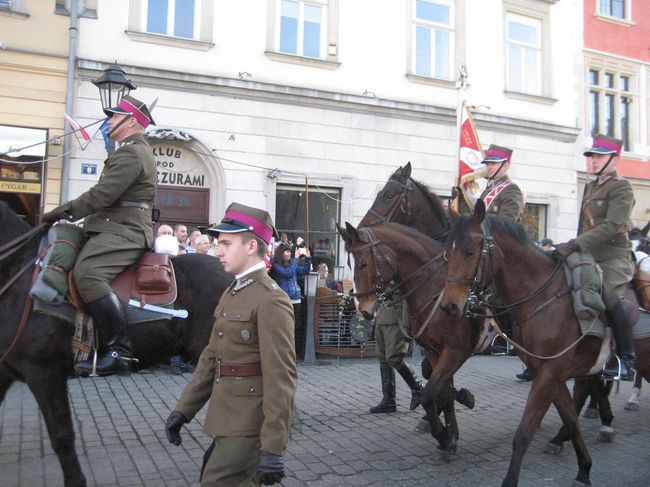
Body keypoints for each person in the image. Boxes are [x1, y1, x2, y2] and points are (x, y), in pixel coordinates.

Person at [164, 203, 297, 486]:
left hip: (250, 425)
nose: (218, 250)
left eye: (225, 243)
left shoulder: (271, 300)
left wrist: (273, 446)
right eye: (217, 243)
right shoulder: (232, 291)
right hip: (226, 418)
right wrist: (184, 409)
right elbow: (212, 357)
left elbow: (281, 379)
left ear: (251, 246)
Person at [41, 95, 156, 376]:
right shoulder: (131, 150)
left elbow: (103, 194)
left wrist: (64, 211)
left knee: (88, 273)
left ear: (131, 121)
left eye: (115, 117)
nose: (109, 121)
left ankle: (120, 351)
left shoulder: (131, 152)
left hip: (125, 230)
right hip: (113, 225)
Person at [554, 134, 637, 380]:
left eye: (599, 156)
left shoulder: (622, 186)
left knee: (610, 294)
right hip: (587, 252)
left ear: (614, 160)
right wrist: (575, 247)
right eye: (592, 156)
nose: (593, 161)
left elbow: (613, 225)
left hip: (613, 255)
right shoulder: (591, 186)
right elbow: (584, 225)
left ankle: (625, 358)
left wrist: (575, 244)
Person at [369, 302, 422, 413]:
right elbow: (378, 300)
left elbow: (407, 298)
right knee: (383, 359)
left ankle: (417, 388)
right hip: (381, 320)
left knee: (394, 358)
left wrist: (407, 326)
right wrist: (373, 323)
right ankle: (388, 400)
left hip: (396, 321)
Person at [271, 243, 311, 360]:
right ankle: (284, 354)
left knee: (296, 327)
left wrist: (308, 258)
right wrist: (296, 259)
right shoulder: (276, 266)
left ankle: (293, 353)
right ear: (281, 253)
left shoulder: (291, 265)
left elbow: (305, 271)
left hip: (297, 299)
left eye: (290, 251)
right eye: (287, 251)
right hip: (285, 300)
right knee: (286, 327)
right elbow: (289, 273)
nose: (289, 253)